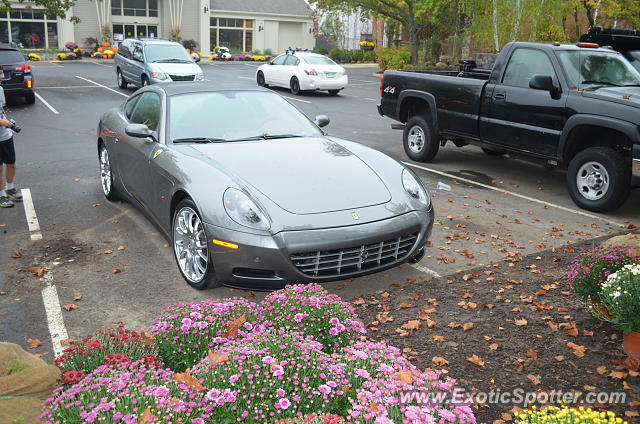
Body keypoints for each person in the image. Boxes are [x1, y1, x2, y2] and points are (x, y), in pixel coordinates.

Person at [0, 81, 22, 208]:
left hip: (5, 135)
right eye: (0, 73)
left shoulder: (0, 89)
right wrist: (3, 122)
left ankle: (10, 188)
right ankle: (2, 194)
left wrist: (9, 124)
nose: (2, 76)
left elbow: (1, 111)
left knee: (11, 163)